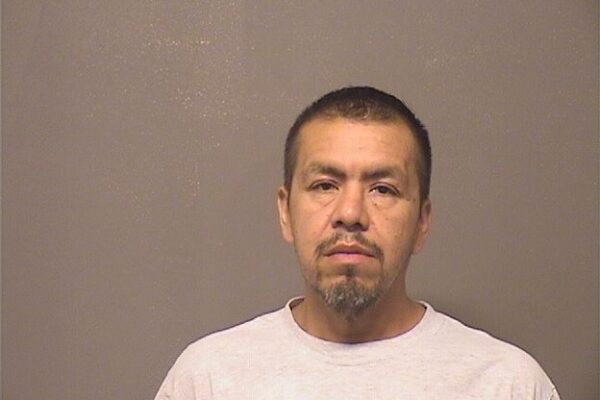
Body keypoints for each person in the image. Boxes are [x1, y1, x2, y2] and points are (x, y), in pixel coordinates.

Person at [154, 86, 560, 399]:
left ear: (422, 222)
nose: (350, 213)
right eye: (325, 185)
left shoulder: (508, 385)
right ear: (285, 212)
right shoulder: (206, 380)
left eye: (382, 189)